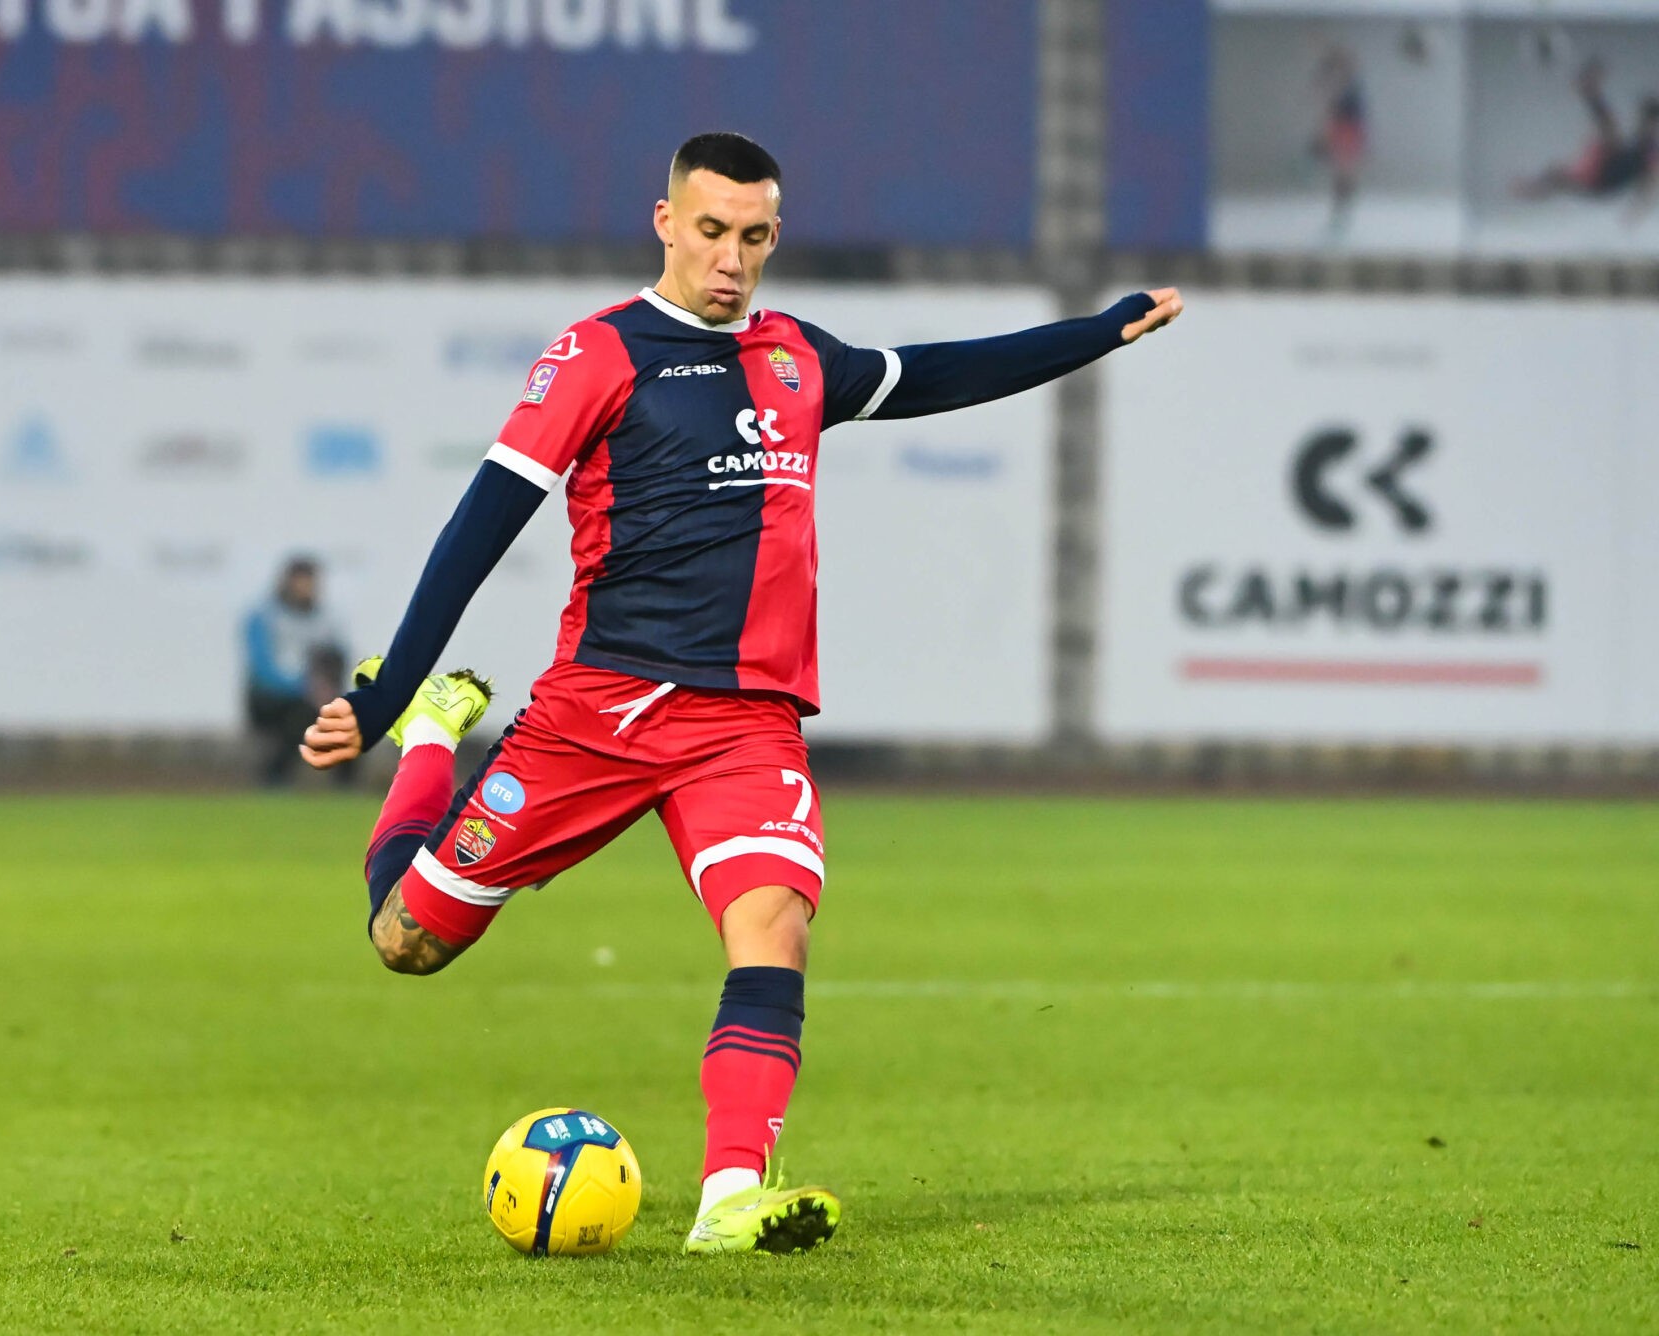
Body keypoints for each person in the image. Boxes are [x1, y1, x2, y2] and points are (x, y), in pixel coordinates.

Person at [297, 132, 1183, 1254]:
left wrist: (1098, 330)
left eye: (754, 236)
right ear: (665, 223)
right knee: (406, 940)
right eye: (711, 231)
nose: (732, 258)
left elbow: (938, 373)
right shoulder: (598, 355)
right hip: (599, 712)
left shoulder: (798, 357)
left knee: (773, 927)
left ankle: (728, 1199)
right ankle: (435, 742)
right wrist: (390, 697)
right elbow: (479, 527)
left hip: (745, 724)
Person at [242, 556, 351, 787]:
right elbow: (262, 669)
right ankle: (275, 778)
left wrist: (327, 688)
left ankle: (346, 784)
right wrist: (304, 687)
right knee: (300, 716)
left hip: (315, 693)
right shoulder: (265, 617)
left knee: (348, 717)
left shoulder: (325, 620)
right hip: (271, 696)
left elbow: (337, 659)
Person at [1513, 59, 1659, 224]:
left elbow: (1651, 181)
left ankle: (1589, 91)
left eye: (1647, 120)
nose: (1642, 122)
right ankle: (1589, 91)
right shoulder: (1639, 141)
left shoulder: (1650, 149)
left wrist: (1637, 212)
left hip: (1602, 181)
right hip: (1600, 172)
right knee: (1556, 173)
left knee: (1611, 134)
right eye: (1643, 118)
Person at [1310, 43, 1367, 239]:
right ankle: (1340, 211)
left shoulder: (1351, 84)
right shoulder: (1338, 85)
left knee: (1346, 173)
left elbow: (1342, 110)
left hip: (1350, 129)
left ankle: (1342, 211)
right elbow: (1330, 109)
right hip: (1343, 129)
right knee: (1342, 173)